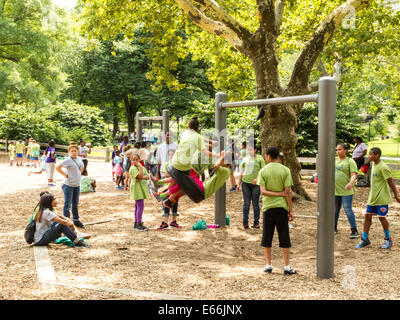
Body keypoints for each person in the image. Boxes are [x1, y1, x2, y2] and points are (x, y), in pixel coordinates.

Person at [257, 146, 296, 275]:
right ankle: (286, 266)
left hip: (268, 207)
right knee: (284, 236)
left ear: (268, 156)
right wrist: (291, 210)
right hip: (282, 208)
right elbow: (288, 192)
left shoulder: (263, 171)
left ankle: (268, 265)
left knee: (267, 236)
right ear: (278, 156)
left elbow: (263, 191)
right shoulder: (286, 170)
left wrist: (278, 194)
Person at [356, 147, 400, 249]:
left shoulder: (383, 167)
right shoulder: (373, 164)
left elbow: (390, 181)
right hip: (372, 197)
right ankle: (365, 239)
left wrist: (396, 194)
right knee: (367, 216)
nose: (369, 156)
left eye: (371, 154)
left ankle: (388, 239)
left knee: (381, 217)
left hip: (382, 198)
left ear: (377, 155)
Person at [56, 144, 85, 229]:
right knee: (67, 204)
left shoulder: (79, 159)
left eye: (75, 151)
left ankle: (76, 220)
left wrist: (79, 174)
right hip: (68, 185)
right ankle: (67, 222)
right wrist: (65, 175)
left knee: (75, 203)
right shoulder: (67, 160)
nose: (73, 153)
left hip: (77, 185)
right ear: (69, 152)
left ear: (78, 151)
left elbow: (82, 167)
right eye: (71, 151)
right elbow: (58, 167)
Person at [237, 142, 265, 229]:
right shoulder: (245, 159)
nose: (249, 151)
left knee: (255, 204)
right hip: (245, 184)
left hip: (256, 185)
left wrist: (257, 179)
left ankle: (256, 222)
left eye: (251, 149)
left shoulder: (260, 158)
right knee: (246, 203)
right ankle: (245, 222)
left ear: (255, 150)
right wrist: (238, 184)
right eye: (248, 149)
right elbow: (241, 172)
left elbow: (263, 171)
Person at [334, 143, 360, 238]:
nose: (337, 151)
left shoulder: (350, 161)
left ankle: (354, 231)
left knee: (347, 209)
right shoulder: (334, 160)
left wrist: (350, 183)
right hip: (335, 190)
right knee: (335, 210)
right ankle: (333, 228)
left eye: (340, 149)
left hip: (346, 191)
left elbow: (354, 174)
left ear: (345, 150)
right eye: (336, 150)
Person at [129, 153, 150, 231]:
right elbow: (140, 176)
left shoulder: (143, 168)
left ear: (139, 160)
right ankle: (138, 223)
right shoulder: (133, 168)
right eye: (133, 160)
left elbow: (148, 177)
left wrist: (141, 177)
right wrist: (140, 167)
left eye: (136, 160)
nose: (135, 161)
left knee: (137, 206)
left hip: (141, 188)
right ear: (131, 161)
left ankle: (136, 222)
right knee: (140, 205)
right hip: (137, 189)